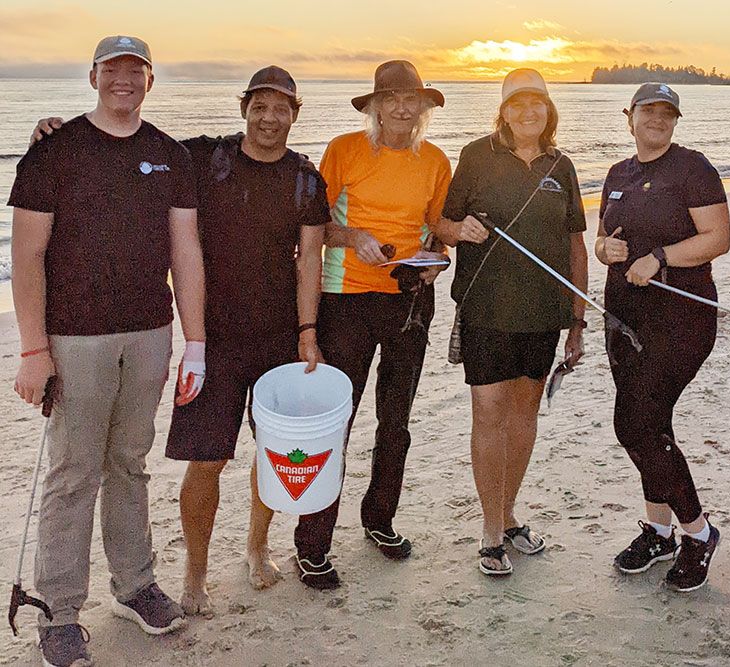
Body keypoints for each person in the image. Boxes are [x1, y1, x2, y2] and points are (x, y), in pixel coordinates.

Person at [30, 66, 330, 612]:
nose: (269, 118)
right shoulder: (203, 158)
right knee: (207, 460)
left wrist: (307, 332)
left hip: (279, 339)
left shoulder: (306, 180)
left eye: (281, 108)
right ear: (244, 109)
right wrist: (58, 136)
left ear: (295, 115)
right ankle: (195, 573)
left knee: (272, 453)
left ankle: (257, 548)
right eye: (260, 106)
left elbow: (311, 257)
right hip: (211, 339)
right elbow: (127, 143)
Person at [9, 35, 206, 666]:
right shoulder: (53, 151)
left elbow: (186, 251)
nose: (124, 79)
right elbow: (27, 257)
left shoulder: (170, 155)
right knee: (73, 472)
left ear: (150, 80)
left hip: (149, 333)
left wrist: (195, 343)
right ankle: (59, 612)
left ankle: (135, 586)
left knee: (129, 462)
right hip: (74, 338)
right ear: (93, 76)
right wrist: (33, 350)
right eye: (113, 69)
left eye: (136, 70)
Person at [291, 60, 451, 588]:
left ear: (423, 108)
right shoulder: (344, 150)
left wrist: (435, 262)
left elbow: (436, 231)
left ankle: (380, 520)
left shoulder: (435, 161)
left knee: (396, 421)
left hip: (408, 301)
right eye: (392, 99)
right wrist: (354, 236)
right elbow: (314, 225)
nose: (402, 109)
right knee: (336, 421)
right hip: (346, 299)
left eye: (412, 100)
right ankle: (312, 544)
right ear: (376, 106)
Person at [436, 69, 587, 576]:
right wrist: (460, 229)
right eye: (517, 104)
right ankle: (490, 530)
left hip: (544, 314)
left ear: (549, 110)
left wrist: (577, 320)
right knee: (489, 415)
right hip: (486, 311)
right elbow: (441, 224)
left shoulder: (561, 165)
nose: (528, 113)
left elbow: (575, 245)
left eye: (536, 103)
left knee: (524, 416)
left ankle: (508, 514)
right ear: (503, 111)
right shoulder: (476, 156)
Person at [594, 83, 730, 591]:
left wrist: (661, 258)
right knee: (653, 425)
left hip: (681, 318)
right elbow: (604, 238)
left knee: (635, 424)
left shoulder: (693, 168)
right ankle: (659, 532)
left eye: (667, 113)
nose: (657, 119)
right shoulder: (617, 173)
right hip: (623, 317)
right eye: (648, 111)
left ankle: (698, 532)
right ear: (628, 117)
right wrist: (605, 250)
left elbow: (718, 237)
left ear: (676, 120)